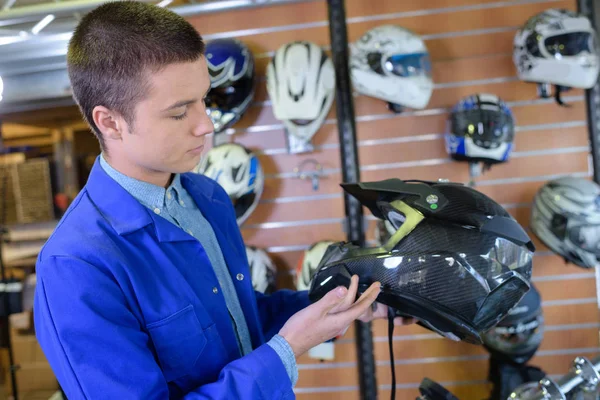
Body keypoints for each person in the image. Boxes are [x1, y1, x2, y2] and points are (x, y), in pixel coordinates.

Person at [33, 2, 411, 399]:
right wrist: (287, 350)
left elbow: (239, 322)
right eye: (179, 113)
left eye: (203, 99)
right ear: (110, 122)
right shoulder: (76, 266)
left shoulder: (206, 197)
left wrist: (336, 303)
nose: (206, 124)